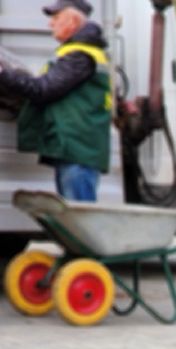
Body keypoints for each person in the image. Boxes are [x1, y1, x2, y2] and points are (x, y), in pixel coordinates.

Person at [0, 0, 111, 203]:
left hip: (77, 150)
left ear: (72, 21)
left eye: (56, 18)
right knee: (72, 215)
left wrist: (4, 74)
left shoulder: (80, 56)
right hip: (74, 149)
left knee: (78, 217)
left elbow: (44, 89)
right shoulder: (76, 53)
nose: (50, 24)